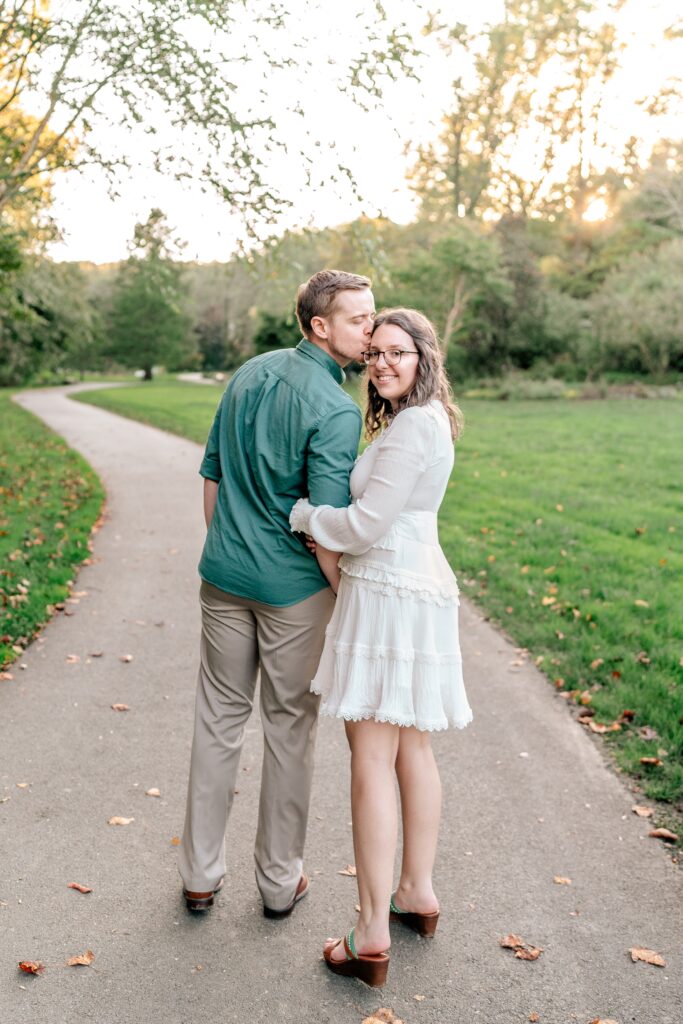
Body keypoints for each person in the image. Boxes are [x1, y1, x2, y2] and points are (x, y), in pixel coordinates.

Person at [179, 269, 375, 917]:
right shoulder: (336, 409)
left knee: (218, 722)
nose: (369, 330)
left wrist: (233, 549)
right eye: (357, 319)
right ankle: (277, 882)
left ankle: (200, 875)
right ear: (320, 326)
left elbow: (211, 477)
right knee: (289, 728)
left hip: (223, 578)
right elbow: (324, 525)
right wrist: (345, 597)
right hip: (293, 592)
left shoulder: (248, 373)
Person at [289, 307, 472, 987]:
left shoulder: (409, 430)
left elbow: (363, 526)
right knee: (410, 746)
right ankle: (415, 894)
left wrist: (307, 517)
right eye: (375, 355)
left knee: (371, 755)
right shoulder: (421, 424)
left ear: (423, 358)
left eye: (399, 352)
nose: (384, 364)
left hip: (390, 590)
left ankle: (369, 931)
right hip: (412, 586)